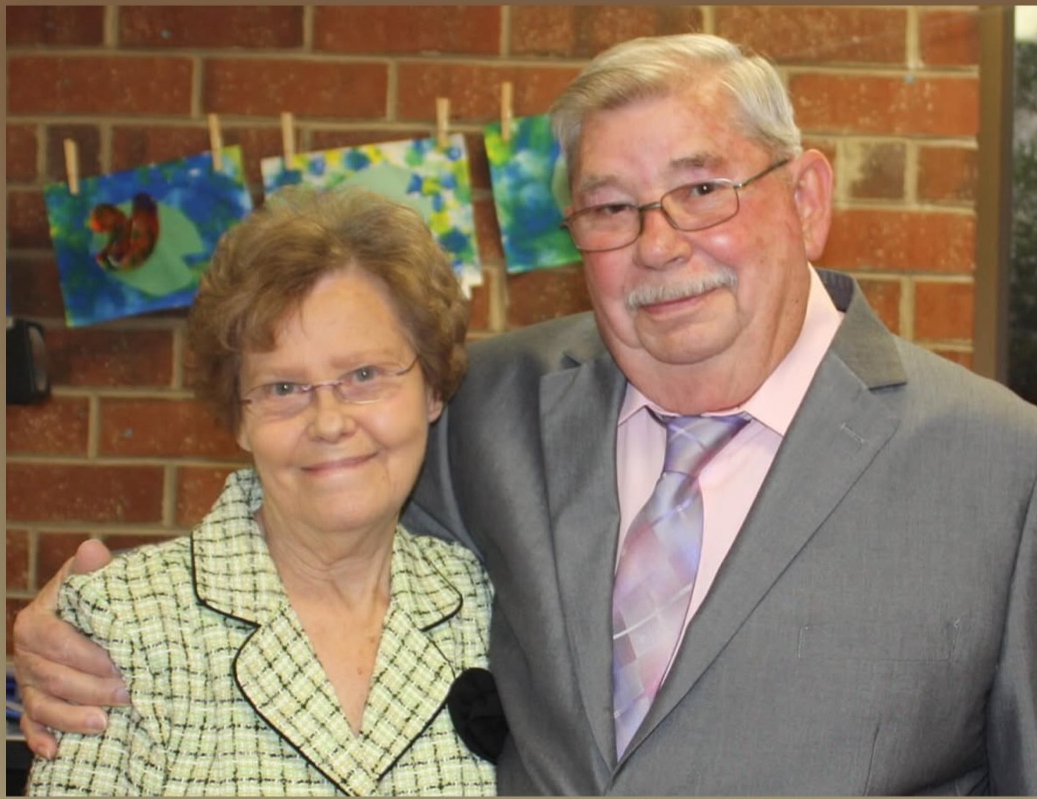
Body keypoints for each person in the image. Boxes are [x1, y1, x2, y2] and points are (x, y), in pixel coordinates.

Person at [15, 32, 1037, 796]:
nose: (658, 243)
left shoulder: (1002, 467)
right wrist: (87, 621)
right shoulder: (485, 402)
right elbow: (316, 486)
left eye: (701, 189)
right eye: (609, 208)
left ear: (806, 197)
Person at [24, 185, 497, 795]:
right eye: (283, 389)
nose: (328, 422)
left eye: (364, 375)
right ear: (240, 419)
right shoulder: (125, 621)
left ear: (433, 391)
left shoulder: (486, 605)